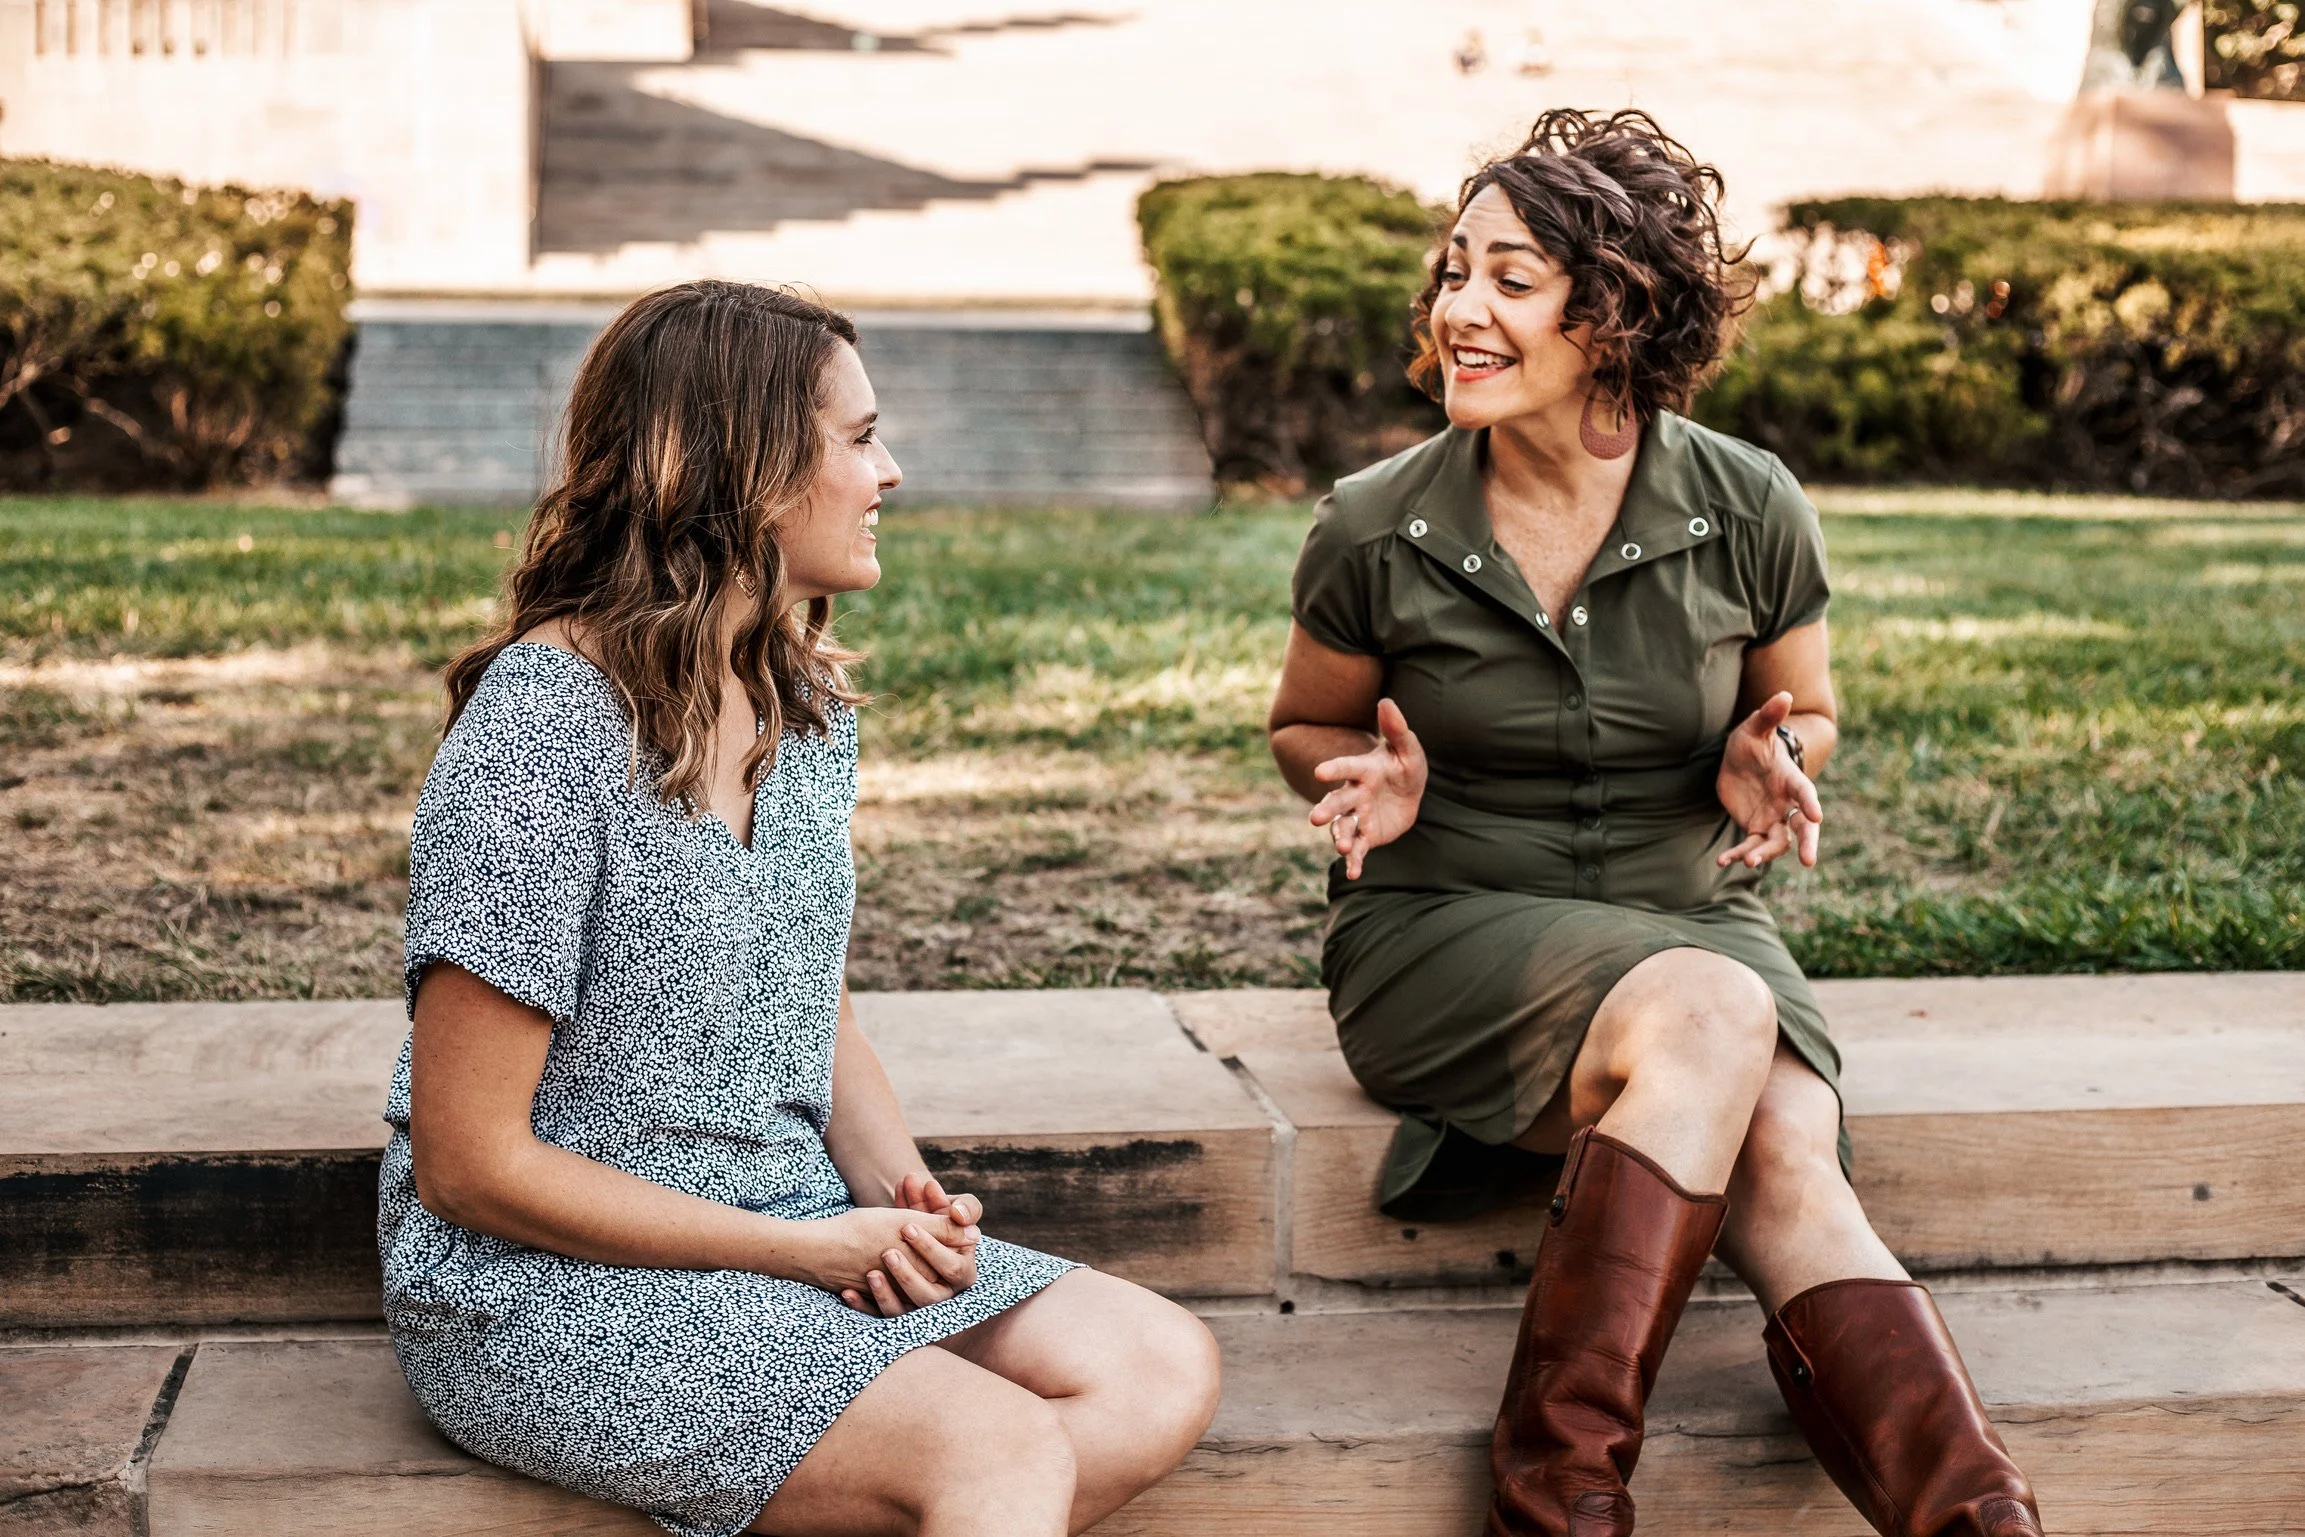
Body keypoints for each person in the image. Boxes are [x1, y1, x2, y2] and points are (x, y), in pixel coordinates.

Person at [1266, 112, 2043, 1537]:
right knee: (1706, 1013)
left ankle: (1983, 1519)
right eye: (1454, 273)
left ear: (1610, 308)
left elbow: (1803, 710)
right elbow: (1302, 722)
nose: (1457, 312)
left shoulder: (1748, 503)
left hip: (1694, 914)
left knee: (1787, 1147)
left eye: (1509, 279)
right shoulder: (1374, 522)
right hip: (1444, 926)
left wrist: (1773, 751)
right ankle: (1556, 1502)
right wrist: (1360, 778)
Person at [379, 281, 1220, 1537]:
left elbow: (802, 997)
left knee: (1160, 1368)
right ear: (746, 467)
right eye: (858, 436)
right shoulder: (539, 731)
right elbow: (469, 1164)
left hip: (784, 1221)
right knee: (994, 1453)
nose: (892, 469)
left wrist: (903, 1195)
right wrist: (808, 1252)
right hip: (546, 1285)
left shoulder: (800, 705)